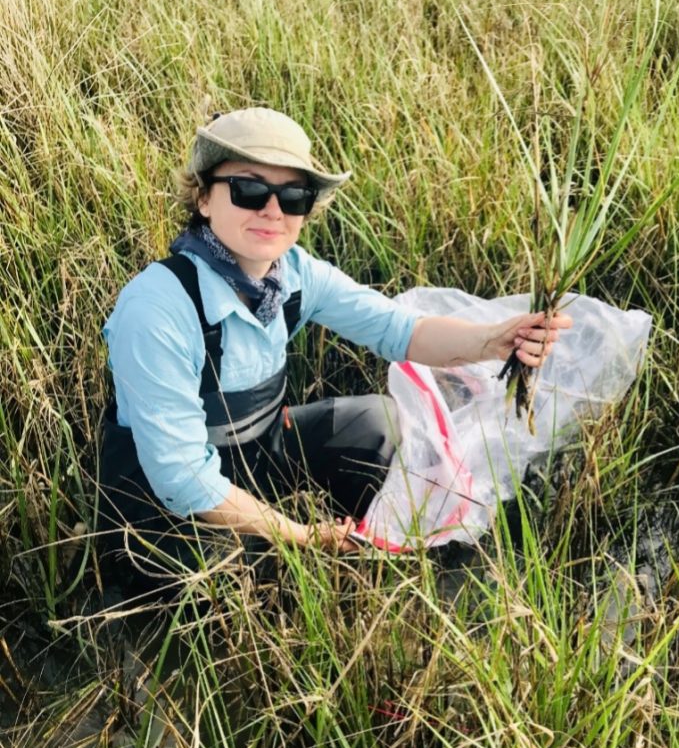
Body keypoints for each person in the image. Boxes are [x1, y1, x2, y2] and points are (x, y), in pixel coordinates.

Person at [97, 107, 571, 593]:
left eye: (294, 196)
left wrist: (492, 340)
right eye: (250, 189)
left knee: (378, 427)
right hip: (164, 510)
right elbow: (181, 478)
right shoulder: (158, 307)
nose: (273, 210)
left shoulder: (294, 276)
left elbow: (400, 331)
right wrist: (302, 538)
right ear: (203, 198)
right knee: (223, 582)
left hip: (259, 458)